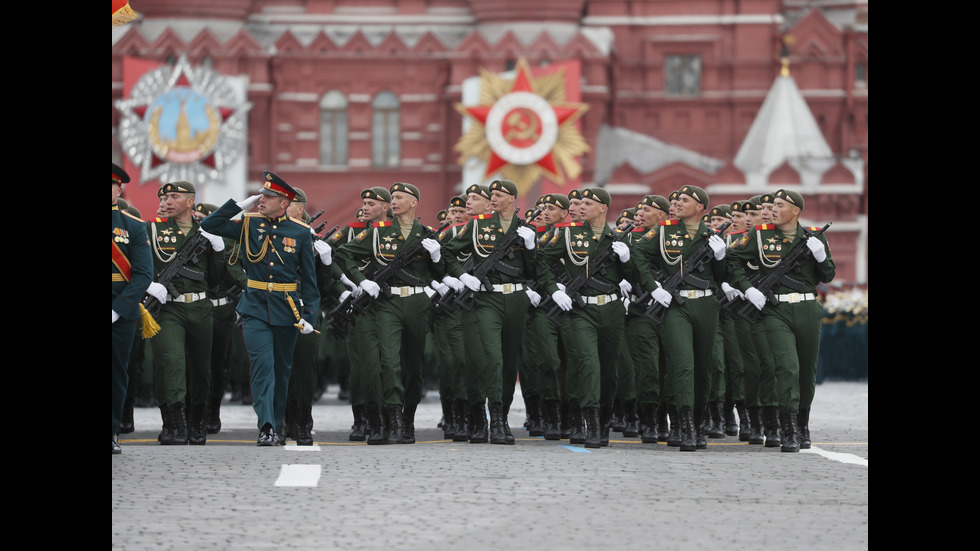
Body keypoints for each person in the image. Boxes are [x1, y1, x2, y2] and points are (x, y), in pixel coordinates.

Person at [200, 171, 320, 446]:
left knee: (281, 369)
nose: (262, 200)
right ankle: (266, 425)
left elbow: (310, 284)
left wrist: (309, 317)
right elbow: (209, 224)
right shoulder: (248, 224)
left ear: (284, 202)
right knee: (263, 366)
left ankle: (277, 423)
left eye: (269, 196)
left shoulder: (301, 233)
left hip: (287, 309)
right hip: (254, 307)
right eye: (262, 195)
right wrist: (239, 205)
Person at [726, 189, 835, 452]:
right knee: (787, 367)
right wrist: (747, 288)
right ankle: (788, 430)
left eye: (779, 205)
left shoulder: (813, 236)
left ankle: (802, 424)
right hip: (776, 311)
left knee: (807, 372)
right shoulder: (760, 235)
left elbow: (828, 275)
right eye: (772, 204)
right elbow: (732, 259)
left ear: (796, 211)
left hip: (808, 308)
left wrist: (821, 256)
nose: (773, 209)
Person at [335, 182, 442, 444]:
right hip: (388, 303)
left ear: (414, 202)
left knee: (413, 366)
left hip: (417, 303)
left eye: (399, 197)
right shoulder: (378, 232)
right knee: (390, 362)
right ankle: (392, 421)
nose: (394, 201)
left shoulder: (426, 234)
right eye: (392, 197)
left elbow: (439, 274)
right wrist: (361, 280)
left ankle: (408, 422)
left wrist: (437, 257)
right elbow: (344, 253)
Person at [535, 188, 640, 448]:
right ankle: (589, 424)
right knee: (588, 364)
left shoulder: (616, 238)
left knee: (609, 371)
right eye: (579, 203)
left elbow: (636, 277)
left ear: (603, 208)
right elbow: (541, 261)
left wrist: (626, 260)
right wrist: (553, 289)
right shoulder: (567, 234)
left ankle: (603, 422)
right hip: (580, 310)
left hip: (612, 311)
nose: (581, 207)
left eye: (588, 203)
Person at [629, 185, 728, 451]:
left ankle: (698, 422)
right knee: (682, 364)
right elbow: (637, 254)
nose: (678, 202)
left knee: (703, 368)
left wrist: (721, 257)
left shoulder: (712, 236)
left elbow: (723, 277)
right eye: (677, 199)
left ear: (700, 207)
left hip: (706, 304)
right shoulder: (663, 232)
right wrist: (654, 287)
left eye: (685, 200)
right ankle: (684, 427)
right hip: (675, 305)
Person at [440, 179, 535, 445]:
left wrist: (530, 247)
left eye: (498, 194)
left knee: (508, 362)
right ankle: (486, 420)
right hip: (485, 300)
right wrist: (461, 276)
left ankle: (500, 417)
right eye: (491, 194)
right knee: (489, 358)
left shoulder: (524, 229)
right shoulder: (478, 225)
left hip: (515, 299)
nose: (492, 198)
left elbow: (533, 271)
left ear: (512, 199)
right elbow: (447, 252)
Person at [145, 182, 227, 446]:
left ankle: (197, 421)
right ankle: (175, 423)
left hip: (201, 307)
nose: (168, 201)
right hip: (168, 307)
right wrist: (149, 286)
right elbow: (141, 265)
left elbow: (214, 279)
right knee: (172, 363)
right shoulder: (154, 230)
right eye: (166, 196)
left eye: (175, 196)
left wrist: (218, 250)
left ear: (190, 202)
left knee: (202, 370)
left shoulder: (205, 234)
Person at [327, 188, 390, 444]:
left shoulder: (394, 232)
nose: (365, 207)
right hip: (358, 305)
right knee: (362, 366)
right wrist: (342, 288)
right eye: (363, 203)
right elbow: (328, 258)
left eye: (371, 203)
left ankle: (390, 417)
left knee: (388, 363)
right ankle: (361, 418)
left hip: (387, 304)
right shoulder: (350, 231)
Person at [623, 194, 671, 444]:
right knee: (647, 368)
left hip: (670, 309)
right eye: (639, 209)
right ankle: (649, 420)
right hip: (641, 310)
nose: (639, 213)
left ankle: (664, 418)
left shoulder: (674, 237)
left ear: (662, 215)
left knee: (667, 367)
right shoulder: (627, 238)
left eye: (647, 210)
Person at [112, 163, 153, 454]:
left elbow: (142, 275)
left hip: (119, 310)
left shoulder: (133, 226)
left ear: (119, 189)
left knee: (115, 372)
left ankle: (112, 430)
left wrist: (117, 309)